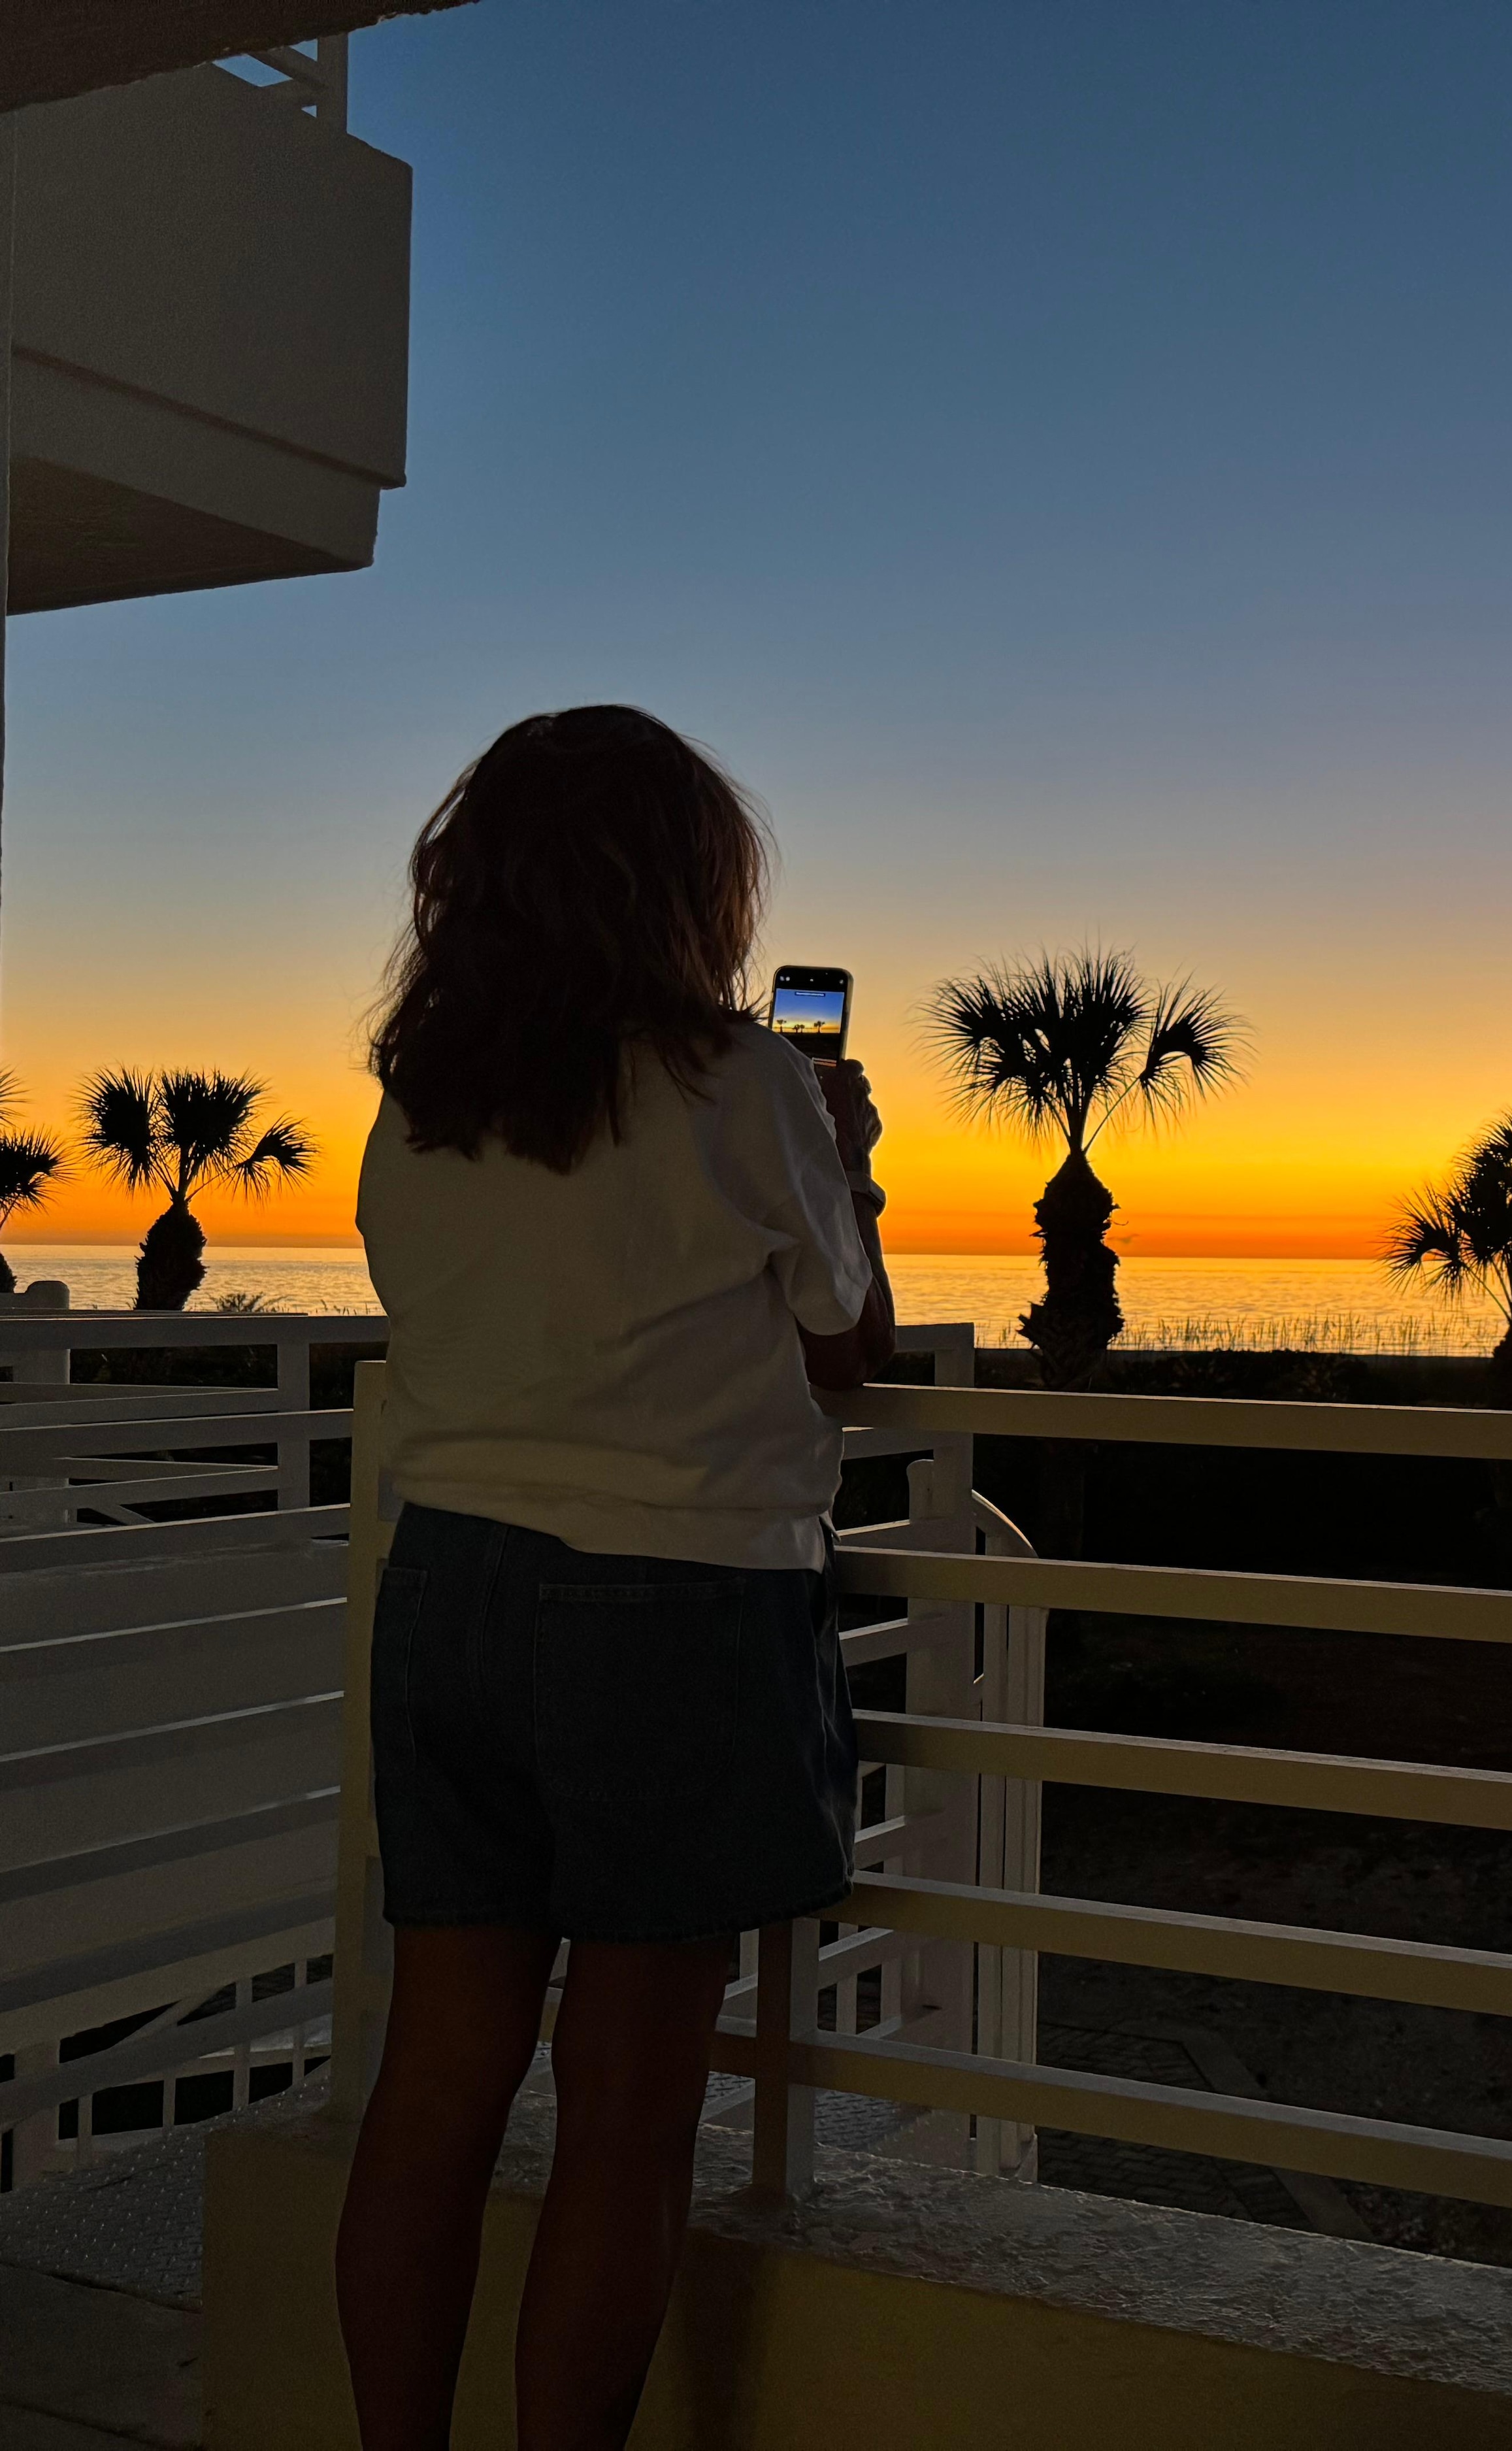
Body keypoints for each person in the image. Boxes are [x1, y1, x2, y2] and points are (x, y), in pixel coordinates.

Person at [337, 705, 895, 2450]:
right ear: (685, 886)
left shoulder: (423, 1101)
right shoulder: (747, 1086)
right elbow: (847, 1346)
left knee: (437, 2082)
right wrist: (849, 1160)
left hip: (450, 1590)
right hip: (676, 1609)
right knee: (627, 2114)